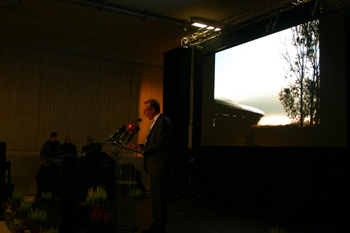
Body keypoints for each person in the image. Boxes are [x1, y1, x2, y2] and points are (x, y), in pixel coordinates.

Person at [129, 99, 175, 233]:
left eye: (145, 111)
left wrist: (144, 149)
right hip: (153, 165)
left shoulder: (163, 121)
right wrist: (140, 146)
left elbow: (161, 144)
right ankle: (156, 224)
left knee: (159, 198)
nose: (144, 114)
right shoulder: (156, 121)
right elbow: (155, 143)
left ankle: (160, 227)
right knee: (155, 198)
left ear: (152, 110)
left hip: (159, 166)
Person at [36, 132, 62, 197]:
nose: (54, 139)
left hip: (55, 163)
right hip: (48, 163)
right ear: (50, 138)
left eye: (55, 138)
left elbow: (61, 153)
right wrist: (43, 159)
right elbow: (42, 153)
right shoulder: (47, 144)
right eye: (53, 138)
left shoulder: (58, 145)